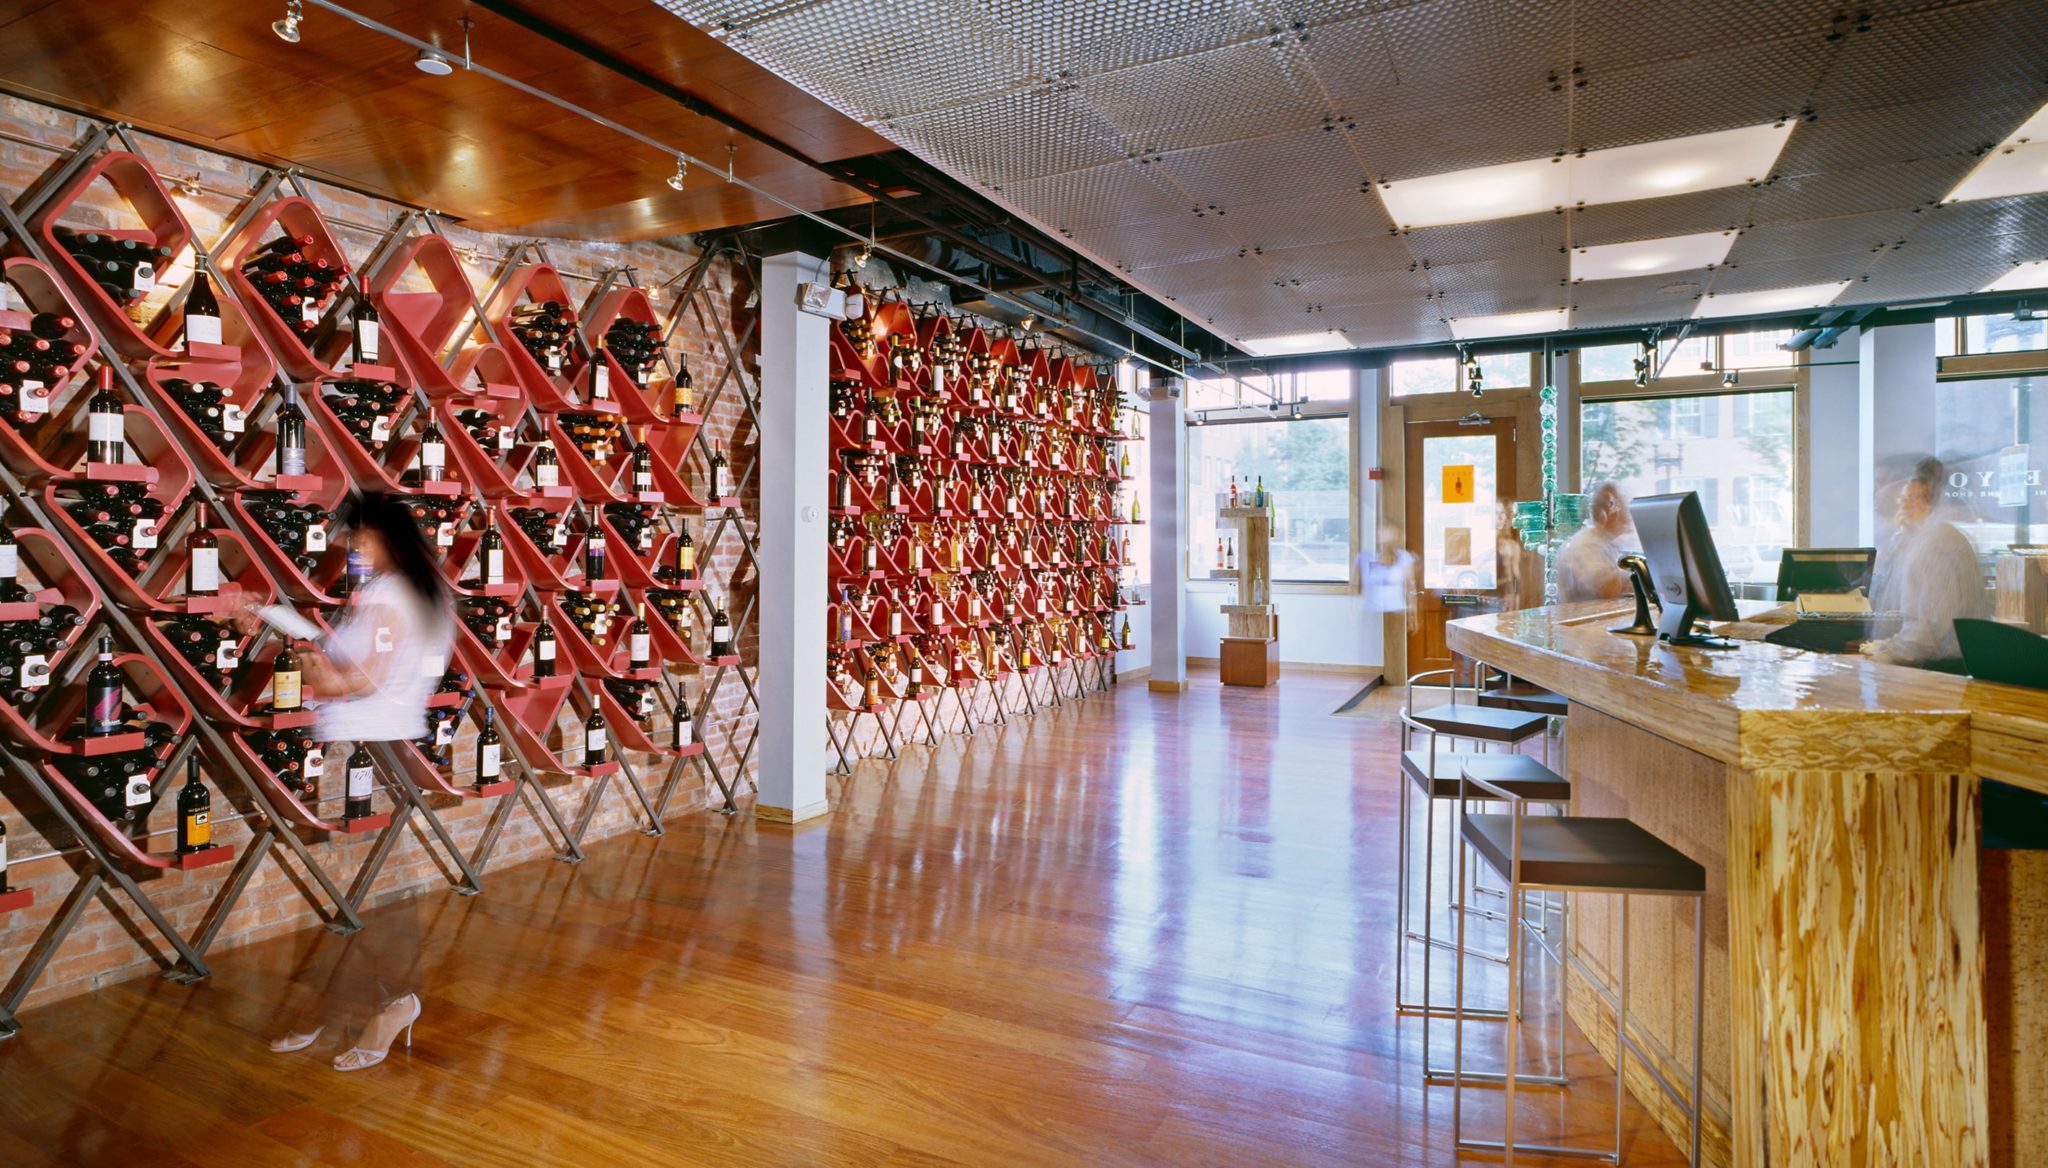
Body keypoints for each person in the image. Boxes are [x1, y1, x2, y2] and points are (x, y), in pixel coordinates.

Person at [244, 491, 457, 1071]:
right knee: (356, 890)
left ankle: (395, 1007)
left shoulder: (392, 596)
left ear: (389, 537)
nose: (351, 546)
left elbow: (357, 681)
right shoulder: (416, 592)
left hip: (371, 753)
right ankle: (335, 1003)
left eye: (359, 536)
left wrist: (308, 668)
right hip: (376, 747)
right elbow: (349, 660)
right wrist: (281, 627)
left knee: (371, 893)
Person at [1865, 457, 1990, 670]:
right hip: (1934, 662)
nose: (1903, 504)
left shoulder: (1937, 543)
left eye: (1913, 498)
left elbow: (1928, 630)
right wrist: (1888, 645)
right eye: (1904, 498)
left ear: (1931, 503)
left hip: (1944, 668)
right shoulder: (1922, 538)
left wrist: (1886, 656)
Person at [1557, 481, 1633, 602]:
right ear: (1611, 512)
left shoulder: (1609, 541)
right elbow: (1608, 588)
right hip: (1585, 619)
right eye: (1624, 506)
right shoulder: (1587, 544)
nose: (1629, 514)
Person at [1360, 523, 1418, 636]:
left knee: (1394, 648)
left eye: (1387, 529)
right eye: (1380, 530)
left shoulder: (1404, 557)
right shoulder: (1366, 556)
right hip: (1372, 612)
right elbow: (1359, 586)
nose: (1382, 533)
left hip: (1396, 611)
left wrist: (1413, 615)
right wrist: (1353, 612)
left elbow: (1410, 587)